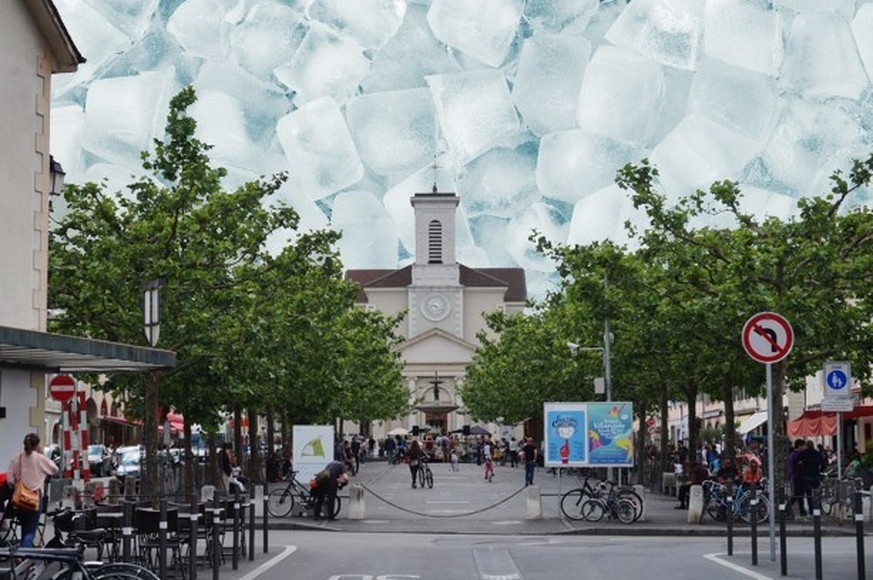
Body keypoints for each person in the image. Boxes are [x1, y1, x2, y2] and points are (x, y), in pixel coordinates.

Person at [6, 433, 58, 547]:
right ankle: (24, 556)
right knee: (31, 531)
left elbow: (9, 479)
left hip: (20, 499)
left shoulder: (16, 458)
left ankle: (23, 555)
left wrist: (17, 484)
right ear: (37, 445)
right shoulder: (39, 458)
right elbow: (54, 469)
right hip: (35, 498)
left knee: (25, 528)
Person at [787, 438, 807, 518]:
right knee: (798, 494)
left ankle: (801, 510)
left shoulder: (793, 454)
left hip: (796, 476)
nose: (804, 448)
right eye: (803, 446)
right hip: (798, 476)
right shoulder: (796, 455)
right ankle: (789, 508)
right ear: (799, 446)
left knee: (799, 494)